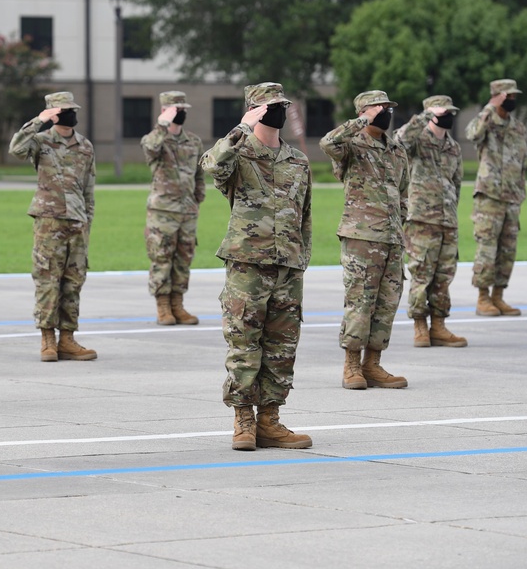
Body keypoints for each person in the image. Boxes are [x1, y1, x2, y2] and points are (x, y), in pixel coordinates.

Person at [200, 82, 312, 451]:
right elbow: (211, 166)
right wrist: (240, 129)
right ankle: (243, 421)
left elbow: (304, 215)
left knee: (282, 346)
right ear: (254, 111)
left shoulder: (297, 160)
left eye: (282, 105)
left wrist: (301, 260)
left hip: (288, 265)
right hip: (248, 263)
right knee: (244, 343)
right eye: (270, 106)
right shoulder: (239, 153)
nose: (278, 111)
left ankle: (270, 420)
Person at [321, 90, 409, 390]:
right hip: (361, 236)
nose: (386, 111)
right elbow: (327, 143)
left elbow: (404, 193)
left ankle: (373, 364)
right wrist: (359, 122)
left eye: (388, 107)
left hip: (392, 237)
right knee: (360, 301)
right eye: (380, 107)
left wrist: (401, 225)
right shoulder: (351, 145)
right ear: (364, 111)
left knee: (387, 303)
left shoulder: (397, 149)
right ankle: (351, 365)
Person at [9, 91, 97, 363]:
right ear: (53, 113)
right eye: (64, 110)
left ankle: (67, 338)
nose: (71, 114)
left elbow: (89, 189)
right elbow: (16, 148)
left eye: (73, 108)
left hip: (77, 221)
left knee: (74, 279)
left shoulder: (85, 146)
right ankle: (47, 338)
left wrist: (87, 222)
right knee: (48, 278)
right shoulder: (40, 141)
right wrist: (39, 120)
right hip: (49, 220)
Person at [394, 95, 467, 348]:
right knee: (421, 272)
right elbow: (399, 140)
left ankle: (439, 325)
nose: (449, 117)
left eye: (450, 113)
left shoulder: (454, 147)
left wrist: (451, 211)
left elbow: (456, 182)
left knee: (444, 275)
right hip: (422, 219)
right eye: (444, 112)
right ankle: (419, 325)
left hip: (447, 220)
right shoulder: (417, 140)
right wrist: (424, 117)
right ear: (431, 114)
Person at [141, 91, 205, 326]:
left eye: (183, 110)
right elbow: (150, 150)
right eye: (176, 110)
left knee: (184, 258)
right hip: (163, 211)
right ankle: (163, 306)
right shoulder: (155, 139)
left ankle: (178, 304)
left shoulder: (194, 141)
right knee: (162, 256)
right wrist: (162, 125)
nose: (181, 113)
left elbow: (199, 174)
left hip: (187, 210)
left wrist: (198, 198)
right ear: (165, 112)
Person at [465, 79, 527, 317]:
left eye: (514, 96)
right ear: (497, 97)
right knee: (487, 248)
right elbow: (472, 134)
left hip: (512, 198)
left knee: (508, 250)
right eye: (507, 96)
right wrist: (489, 108)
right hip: (489, 196)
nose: (512, 100)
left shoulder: (518, 127)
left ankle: (498, 296)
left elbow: (521, 163)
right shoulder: (486, 122)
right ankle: (483, 297)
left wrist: (521, 193)